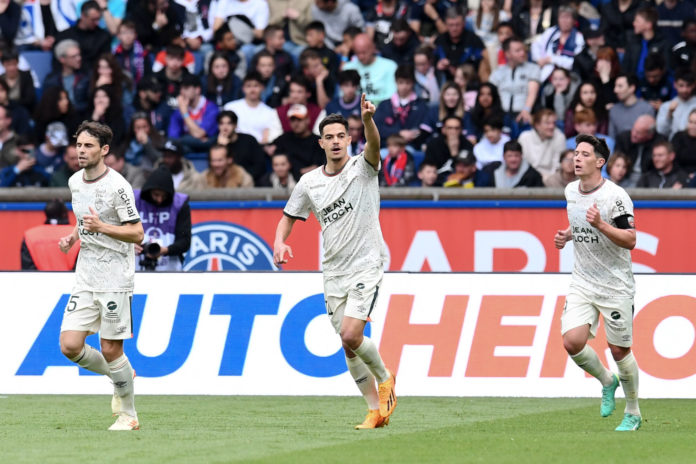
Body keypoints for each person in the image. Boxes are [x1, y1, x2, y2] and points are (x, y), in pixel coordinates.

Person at [273, 99, 397, 429]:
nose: (337, 141)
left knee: (351, 332)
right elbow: (288, 216)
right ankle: (374, 410)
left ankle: (386, 379)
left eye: (342, 135)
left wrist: (368, 120)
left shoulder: (364, 166)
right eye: (330, 137)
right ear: (322, 143)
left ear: (349, 139)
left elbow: (375, 143)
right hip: (333, 271)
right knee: (347, 344)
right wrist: (280, 241)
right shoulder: (310, 182)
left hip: (366, 265)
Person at [57, 120, 144, 431]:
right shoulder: (75, 182)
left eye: (88, 146)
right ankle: (118, 374)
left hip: (115, 278)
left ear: (104, 150)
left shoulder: (118, 187)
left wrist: (101, 228)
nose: (81, 150)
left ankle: (129, 415)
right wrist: (73, 236)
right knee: (69, 344)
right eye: (79, 145)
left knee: (111, 349)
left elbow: (137, 234)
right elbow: (86, 219)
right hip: (85, 275)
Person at [554, 133, 642, 432]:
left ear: (600, 162)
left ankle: (633, 412)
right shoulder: (570, 191)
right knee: (572, 341)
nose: (577, 158)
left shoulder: (615, 197)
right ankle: (607, 380)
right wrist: (568, 235)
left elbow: (630, 240)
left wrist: (601, 225)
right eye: (575, 153)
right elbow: (580, 220)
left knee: (619, 350)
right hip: (582, 280)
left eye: (584, 154)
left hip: (615, 284)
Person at [134, 165, 191, 271]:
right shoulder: (134, 200)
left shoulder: (179, 203)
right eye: (156, 195)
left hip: (170, 269)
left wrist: (164, 250)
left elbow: (185, 241)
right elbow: (118, 230)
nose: (159, 199)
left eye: (164, 196)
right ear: (149, 190)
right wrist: (128, 245)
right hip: (135, 266)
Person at [21, 199, 78, 271]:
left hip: (38, 281)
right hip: (71, 281)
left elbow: (27, 270)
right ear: (65, 213)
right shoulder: (76, 235)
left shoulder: (30, 236)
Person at [608, 73, 655, 139]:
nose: (615, 90)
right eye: (615, 86)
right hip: (620, 147)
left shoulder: (647, 108)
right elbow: (611, 138)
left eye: (620, 86)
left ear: (631, 88)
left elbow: (650, 135)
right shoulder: (614, 110)